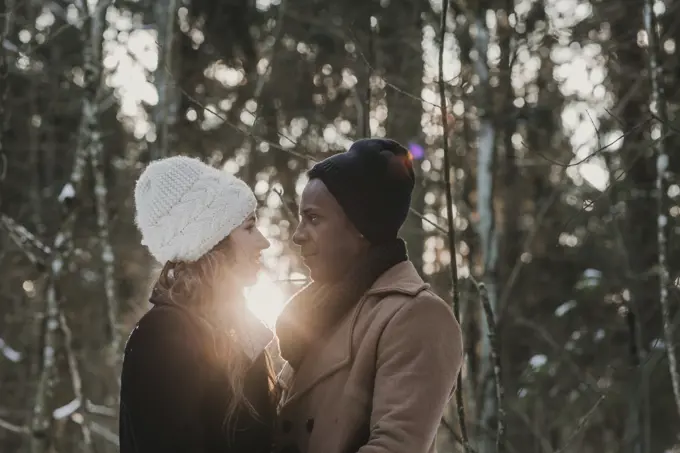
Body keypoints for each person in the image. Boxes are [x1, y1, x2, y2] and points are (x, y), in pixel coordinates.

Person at [274, 138, 464, 453]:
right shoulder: (316, 312)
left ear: (361, 227)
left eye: (314, 218)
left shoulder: (417, 317)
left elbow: (393, 446)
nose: (298, 234)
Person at [119, 156, 277, 453]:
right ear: (212, 241)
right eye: (249, 227)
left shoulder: (238, 329)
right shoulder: (164, 335)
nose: (264, 242)